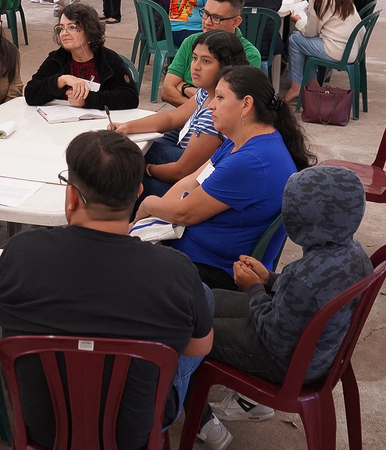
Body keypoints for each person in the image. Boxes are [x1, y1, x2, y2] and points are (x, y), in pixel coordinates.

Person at [0, 130, 216, 450]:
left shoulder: (19, 254)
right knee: (195, 314)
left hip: (42, 428)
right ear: (138, 193)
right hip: (134, 435)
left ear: (71, 197)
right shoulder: (174, 271)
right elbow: (198, 347)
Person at [207, 165, 372, 425]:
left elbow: (273, 339)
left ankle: (203, 420)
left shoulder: (304, 277)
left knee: (193, 328)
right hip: (315, 350)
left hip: (286, 362)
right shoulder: (354, 252)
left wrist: (254, 288)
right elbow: (308, 296)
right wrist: (268, 279)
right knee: (210, 298)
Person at [135, 66, 315, 292]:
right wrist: (148, 220)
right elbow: (191, 181)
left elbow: (185, 213)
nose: (210, 105)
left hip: (215, 269)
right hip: (198, 249)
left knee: (119, 263)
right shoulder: (240, 139)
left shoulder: (250, 161)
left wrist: (149, 205)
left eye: (220, 97)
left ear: (246, 104)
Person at [115, 30, 248, 199]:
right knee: (136, 145)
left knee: (129, 182)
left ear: (225, 66)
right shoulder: (207, 92)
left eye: (206, 61)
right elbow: (172, 117)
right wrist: (127, 127)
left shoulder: (216, 114)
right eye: (194, 58)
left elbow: (182, 171)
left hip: (197, 186)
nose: (196, 66)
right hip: (184, 160)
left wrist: (147, 169)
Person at [24, 3, 138, 110]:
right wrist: (60, 81)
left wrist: (88, 100)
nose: (64, 33)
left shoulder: (109, 60)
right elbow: (30, 94)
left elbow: (130, 97)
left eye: (72, 27)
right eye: (62, 28)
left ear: (89, 30)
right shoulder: (56, 59)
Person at [161, 0, 262, 107]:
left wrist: (184, 87)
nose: (207, 22)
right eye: (205, 14)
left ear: (235, 22)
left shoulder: (248, 54)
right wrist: (204, 107)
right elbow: (167, 92)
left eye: (216, 18)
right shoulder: (191, 41)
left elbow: (227, 105)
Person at [282, 0, 362, 104]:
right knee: (302, 41)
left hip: (337, 50)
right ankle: (312, 84)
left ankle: (296, 87)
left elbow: (310, 32)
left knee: (295, 39)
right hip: (351, 47)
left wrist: (297, 20)